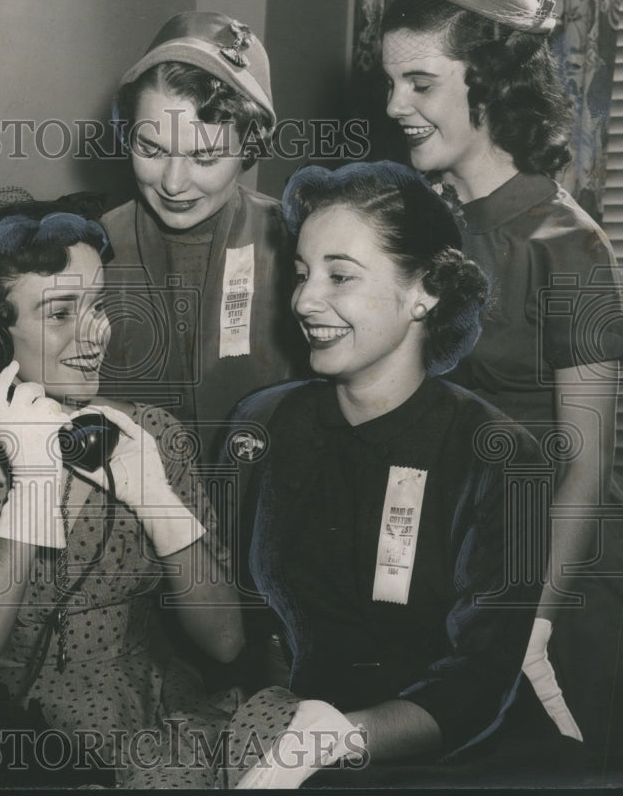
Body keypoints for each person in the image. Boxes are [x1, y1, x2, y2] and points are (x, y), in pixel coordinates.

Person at [220, 162, 561, 788]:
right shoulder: (263, 423)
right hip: (284, 740)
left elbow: (478, 681)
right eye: (301, 274)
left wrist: (332, 742)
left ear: (424, 291)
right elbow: (249, 626)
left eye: (340, 276)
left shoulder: (501, 457)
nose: (303, 299)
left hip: (447, 759)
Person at [0, 208, 245, 787]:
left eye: (98, 305)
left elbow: (228, 643)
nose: (97, 333)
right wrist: (32, 489)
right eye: (60, 313)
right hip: (8, 735)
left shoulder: (152, 438)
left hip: (144, 718)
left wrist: (156, 500)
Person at [381, 0, 623, 769]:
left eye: (420, 83)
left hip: (554, 592)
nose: (394, 107)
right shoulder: (425, 230)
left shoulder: (573, 246)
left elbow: (585, 471)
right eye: (391, 83)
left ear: (488, 84)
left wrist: (533, 625)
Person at [101, 11, 298, 465]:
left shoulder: (295, 247)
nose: (172, 182)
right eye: (150, 149)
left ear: (250, 147)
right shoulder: (88, 249)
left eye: (204, 156)